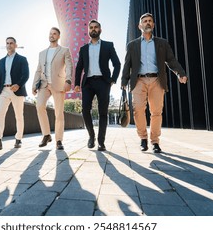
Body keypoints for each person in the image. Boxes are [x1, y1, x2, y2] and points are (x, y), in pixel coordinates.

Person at [121, 13, 188, 153]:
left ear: (153, 25)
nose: (147, 23)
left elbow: (171, 60)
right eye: (145, 21)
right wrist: (124, 81)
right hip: (138, 80)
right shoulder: (132, 45)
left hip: (157, 80)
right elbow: (127, 64)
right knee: (138, 109)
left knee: (156, 112)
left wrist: (180, 73)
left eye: (150, 21)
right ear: (140, 26)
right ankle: (143, 138)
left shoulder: (162, 43)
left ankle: (155, 142)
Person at [74, 20, 121, 151]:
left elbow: (117, 64)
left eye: (96, 27)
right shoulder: (83, 49)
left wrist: (113, 79)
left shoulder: (108, 45)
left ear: (100, 30)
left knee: (103, 113)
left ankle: (101, 141)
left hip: (103, 82)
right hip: (87, 83)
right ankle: (91, 136)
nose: (93, 29)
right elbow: (79, 68)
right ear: (88, 31)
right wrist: (77, 83)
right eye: (91, 28)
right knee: (85, 110)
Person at [32, 27, 73, 150]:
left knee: (59, 113)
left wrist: (68, 80)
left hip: (59, 84)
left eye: (54, 34)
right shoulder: (42, 53)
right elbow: (38, 70)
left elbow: (69, 66)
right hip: (44, 84)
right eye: (50, 34)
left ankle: (59, 140)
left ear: (58, 36)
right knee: (39, 106)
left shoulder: (64, 50)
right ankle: (46, 135)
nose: (52, 35)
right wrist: (34, 84)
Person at [0, 37, 29, 150]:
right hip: (3, 91)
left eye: (11, 43)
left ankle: (18, 139)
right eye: (7, 43)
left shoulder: (22, 59)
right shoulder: (1, 61)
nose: (9, 45)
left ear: (15, 45)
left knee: (18, 116)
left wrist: (18, 84)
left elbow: (26, 74)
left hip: (17, 90)